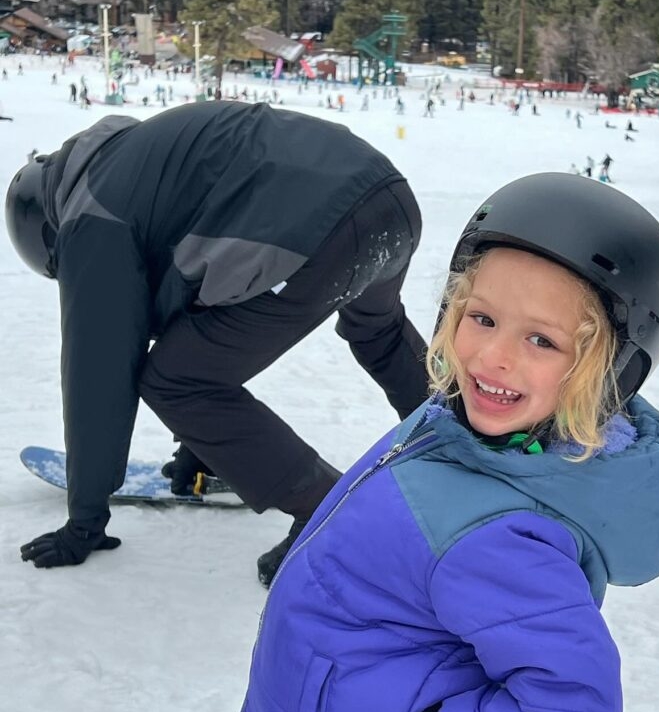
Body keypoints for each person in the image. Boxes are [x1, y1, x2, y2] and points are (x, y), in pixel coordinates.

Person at [222, 173, 659, 712]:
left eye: (541, 339)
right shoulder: (470, 430)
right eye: (481, 318)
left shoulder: (496, 531)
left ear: (607, 373)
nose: (492, 358)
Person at [6, 102, 429, 582]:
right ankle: (466, 437)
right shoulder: (134, 160)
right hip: (388, 198)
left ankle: (325, 513)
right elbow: (193, 310)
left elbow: (96, 376)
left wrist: (84, 521)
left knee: (175, 382)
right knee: (380, 331)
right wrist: (202, 447)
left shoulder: (93, 219)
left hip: (318, 229)